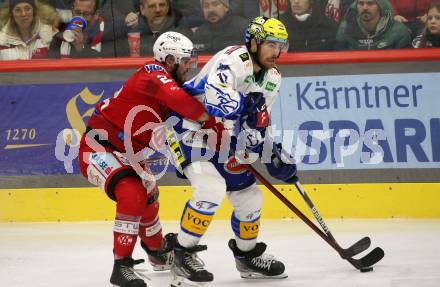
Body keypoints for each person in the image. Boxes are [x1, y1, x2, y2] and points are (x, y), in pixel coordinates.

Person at [167, 16, 298, 287]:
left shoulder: (273, 78)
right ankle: (181, 254)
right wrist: (246, 106)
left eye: (281, 45)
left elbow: (256, 125)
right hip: (187, 125)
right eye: (271, 44)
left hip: (222, 136)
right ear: (253, 42)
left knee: (250, 197)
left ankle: (247, 256)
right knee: (210, 189)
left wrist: (269, 153)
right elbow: (215, 102)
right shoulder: (233, 59)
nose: (277, 52)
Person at [77, 31, 210, 287]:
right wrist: (208, 120)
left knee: (148, 197)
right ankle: (121, 265)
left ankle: (157, 251)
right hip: (97, 147)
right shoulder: (152, 72)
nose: (188, 67)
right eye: (185, 62)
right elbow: (183, 103)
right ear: (169, 59)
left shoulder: (170, 86)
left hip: (130, 154)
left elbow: (181, 127)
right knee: (132, 192)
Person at [49, 0, 127, 58]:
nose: (81, 18)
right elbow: (51, 56)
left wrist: (81, 49)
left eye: (86, 14)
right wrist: (59, 37)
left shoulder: (109, 32)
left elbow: (106, 64)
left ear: (96, 15)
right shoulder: (63, 29)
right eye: (77, 12)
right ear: (72, 11)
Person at [336, 0, 412, 50]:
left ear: (380, 6)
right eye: (361, 3)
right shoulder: (344, 28)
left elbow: (404, 67)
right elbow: (338, 61)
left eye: (370, 3)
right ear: (356, 6)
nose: (365, 8)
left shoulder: (400, 32)